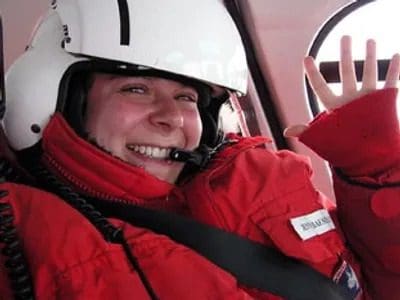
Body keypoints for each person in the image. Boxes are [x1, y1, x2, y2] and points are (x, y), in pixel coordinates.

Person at [0, 0, 399, 299]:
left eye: (187, 97)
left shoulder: (263, 177)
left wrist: (372, 163)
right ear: (60, 99)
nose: (171, 117)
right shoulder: (26, 228)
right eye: (135, 89)